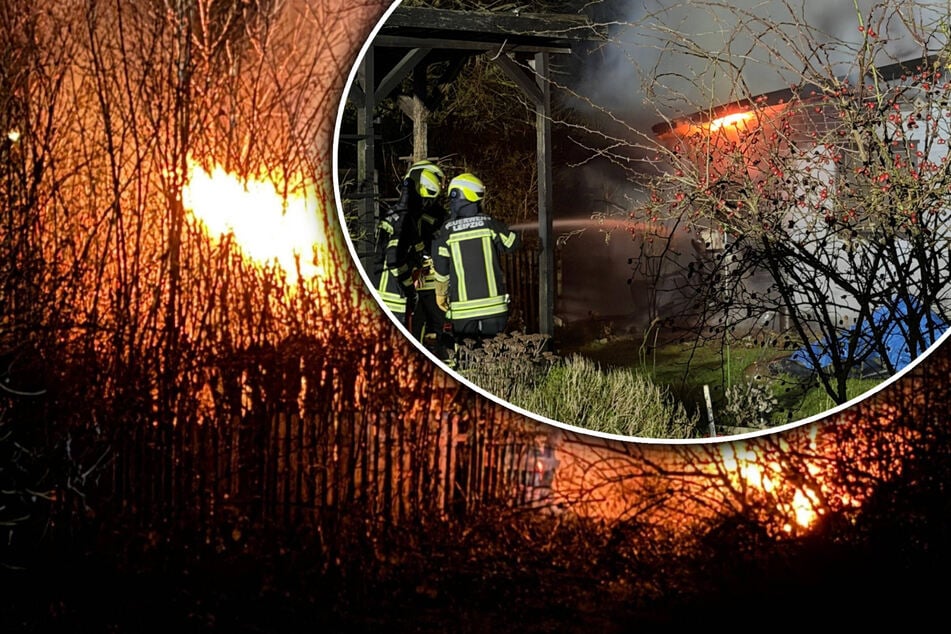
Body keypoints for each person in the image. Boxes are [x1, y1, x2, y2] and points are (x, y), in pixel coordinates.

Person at [432, 172, 521, 353]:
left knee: (466, 357)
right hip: (495, 309)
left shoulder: (447, 231)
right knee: (494, 354)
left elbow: (441, 269)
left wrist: (440, 295)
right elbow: (512, 243)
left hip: (462, 312)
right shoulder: (490, 224)